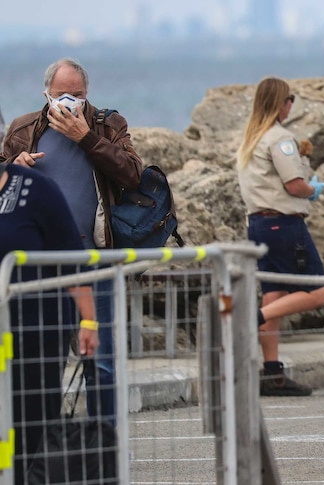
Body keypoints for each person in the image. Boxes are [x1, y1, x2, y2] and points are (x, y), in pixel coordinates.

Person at [0, 57, 143, 423]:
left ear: (87, 94)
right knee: (39, 361)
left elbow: (131, 175)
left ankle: (105, 444)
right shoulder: (22, 128)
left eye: (76, 95)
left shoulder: (108, 125)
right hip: (37, 267)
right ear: (46, 94)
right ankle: (39, 445)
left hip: (93, 261)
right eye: (61, 95)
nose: (69, 102)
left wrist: (86, 138)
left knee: (102, 360)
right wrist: (14, 164)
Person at [0, 162, 99, 483]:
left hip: (37, 335)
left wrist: (89, 321)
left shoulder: (35, 189)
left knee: (31, 429)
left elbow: (70, 256)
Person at [236, 77, 324, 397]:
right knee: (318, 292)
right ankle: (251, 318)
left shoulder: (251, 138)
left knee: (274, 294)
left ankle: (272, 373)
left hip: (258, 225)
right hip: (284, 224)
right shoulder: (280, 138)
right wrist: (313, 189)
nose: (292, 105)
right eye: (290, 99)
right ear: (281, 103)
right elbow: (293, 185)